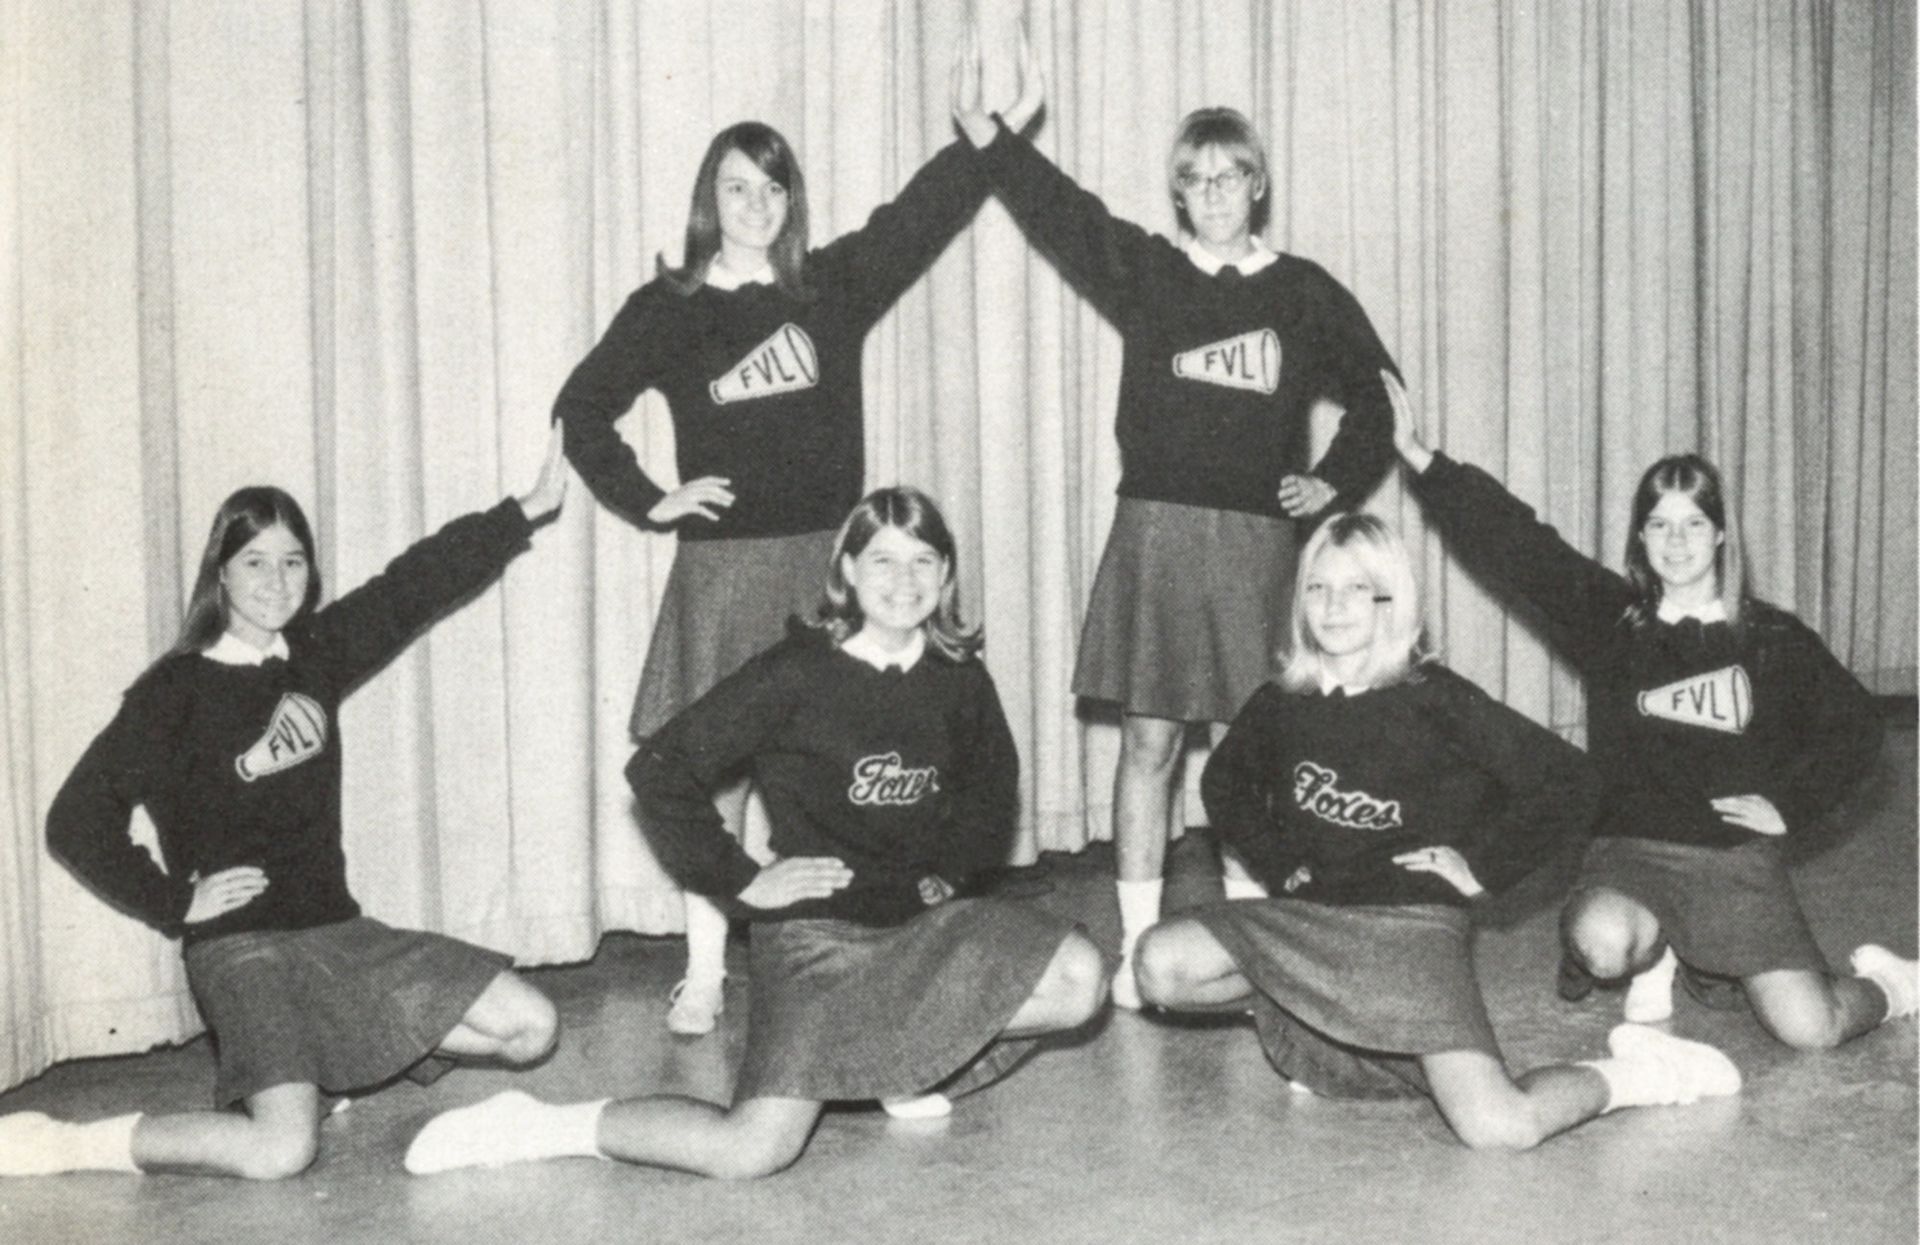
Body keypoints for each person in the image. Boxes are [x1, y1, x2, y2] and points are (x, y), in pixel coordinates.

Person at [404, 486, 1106, 1178]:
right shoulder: (796, 671)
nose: (904, 580)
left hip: (922, 923)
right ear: (848, 571)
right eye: (883, 561)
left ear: (947, 576)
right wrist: (743, 881)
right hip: (818, 937)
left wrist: (949, 872)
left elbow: (992, 786)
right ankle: (536, 1124)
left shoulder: (959, 676)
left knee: (1079, 979)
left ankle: (902, 1060)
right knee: (751, 1149)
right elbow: (660, 769)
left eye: (924, 560)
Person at [555, 92, 1024, 1035]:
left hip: (826, 561)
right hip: (725, 563)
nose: (755, 202)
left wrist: (977, 144)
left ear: (791, 198)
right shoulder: (670, 307)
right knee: (715, 772)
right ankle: (703, 969)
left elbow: (915, 221)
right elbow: (583, 410)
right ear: (708, 200)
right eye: (736, 185)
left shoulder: (828, 288)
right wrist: (653, 498)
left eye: (772, 185)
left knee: (831, 763)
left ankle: (836, 950)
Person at [952, 35, 1399, 1006]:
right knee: (1149, 745)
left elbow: (1381, 398)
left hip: (1254, 546)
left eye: (1231, 176)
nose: (1214, 193)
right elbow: (1059, 214)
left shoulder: (1302, 290)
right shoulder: (1149, 273)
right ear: (1178, 193)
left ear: (1259, 185)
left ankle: (1251, 944)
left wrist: (1331, 481)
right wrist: (997, 137)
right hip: (1156, 530)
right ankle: (1141, 943)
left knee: (1254, 752)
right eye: (1194, 179)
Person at [0, 430, 570, 1180]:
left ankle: (331, 1056)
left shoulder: (314, 655)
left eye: (293, 560)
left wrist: (524, 510)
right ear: (222, 575)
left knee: (534, 1028)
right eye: (255, 562)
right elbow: (75, 819)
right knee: (280, 1151)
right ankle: (67, 1144)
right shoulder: (173, 691)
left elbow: (413, 585)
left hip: (336, 930)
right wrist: (176, 901)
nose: (277, 580)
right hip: (243, 950)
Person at [1135, 512, 1744, 1149]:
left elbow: (1571, 781)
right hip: (1310, 919)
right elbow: (1224, 782)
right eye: (1318, 588)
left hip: (1411, 929)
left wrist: (1480, 866)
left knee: (1500, 1127)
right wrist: (1279, 859)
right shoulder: (1282, 700)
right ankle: (1327, 1030)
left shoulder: (1437, 698)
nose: (1334, 607)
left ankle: (1641, 1074)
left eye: (1357, 590)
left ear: (1391, 600)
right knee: (1160, 966)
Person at [1386, 371, 1917, 1045]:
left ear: (1722, 535)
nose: (1676, 540)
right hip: (1630, 851)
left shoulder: (1772, 638)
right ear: (1639, 538)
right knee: (1603, 943)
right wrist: (1426, 462)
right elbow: (1520, 547)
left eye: (1694, 522)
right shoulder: (1615, 621)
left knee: (1812, 1029)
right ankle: (1658, 948)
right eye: (1659, 524)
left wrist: (1792, 802)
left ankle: (1896, 984)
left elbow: (1859, 726)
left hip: (1731, 859)